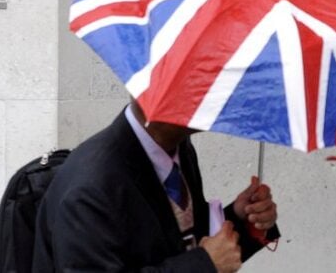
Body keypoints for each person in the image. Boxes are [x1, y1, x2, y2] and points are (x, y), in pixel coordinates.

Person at [32, 101, 279, 272]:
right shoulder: (90, 191)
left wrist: (240, 219)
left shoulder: (177, 148)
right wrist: (204, 265)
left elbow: (180, 240)